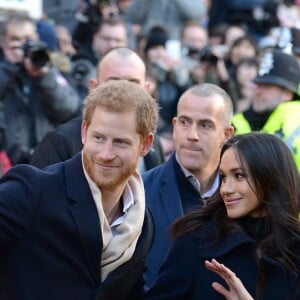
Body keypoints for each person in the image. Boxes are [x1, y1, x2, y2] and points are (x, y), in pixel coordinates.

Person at [0, 79, 159, 299]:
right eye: (98, 138)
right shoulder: (35, 190)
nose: (106, 153)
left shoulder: (142, 220)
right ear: (84, 132)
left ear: (146, 144)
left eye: (121, 142)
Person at [145, 132, 300, 299]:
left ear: (270, 178)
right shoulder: (196, 239)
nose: (226, 189)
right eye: (224, 177)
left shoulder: (295, 250)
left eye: (239, 176)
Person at [142, 83, 234, 288]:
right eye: (185, 122)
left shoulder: (245, 196)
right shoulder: (140, 192)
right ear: (174, 125)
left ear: (226, 134)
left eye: (205, 125)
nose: (192, 134)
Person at [30, 47, 165, 171]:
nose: (124, 92)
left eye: (133, 84)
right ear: (93, 87)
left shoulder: (152, 143)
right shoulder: (60, 143)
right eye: (113, 83)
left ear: (147, 90)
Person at [0, 13, 80, 165]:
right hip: (5, 164)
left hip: (42, 162)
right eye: (16, 39)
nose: (23, 46)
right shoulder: (3, 71)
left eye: (28, 39)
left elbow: (68, 108)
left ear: (37, 38)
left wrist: (44, 75)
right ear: (3, 42)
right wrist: (9, 68)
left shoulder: (48, 67)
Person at [232, 49, 300, 171]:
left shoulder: (294, 119)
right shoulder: (236, 122)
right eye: (257, 85)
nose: (257, 91)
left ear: (288, 93)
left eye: (267, 86)